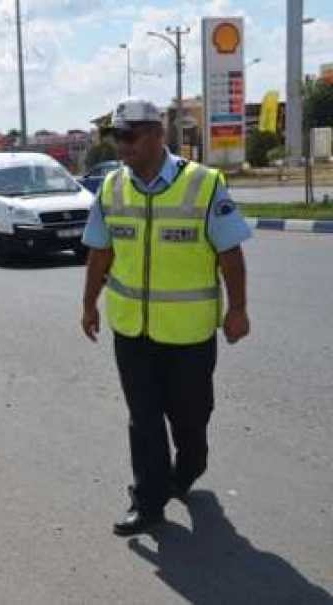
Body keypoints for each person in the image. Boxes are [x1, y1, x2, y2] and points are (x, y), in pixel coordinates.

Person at [80, 97, 252, 536]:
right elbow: (100, 251)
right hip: (132, 329)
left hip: (189, 333)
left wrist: (238, 309)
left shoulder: (205, 184)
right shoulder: (112, 188)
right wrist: (88, 304)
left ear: (158, 134)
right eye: (117, 137)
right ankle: (149, 501)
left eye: (130, 136)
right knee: (144, 417)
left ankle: (192, 462)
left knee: (190, 416)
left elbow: (230, 253)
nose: (123, 145)